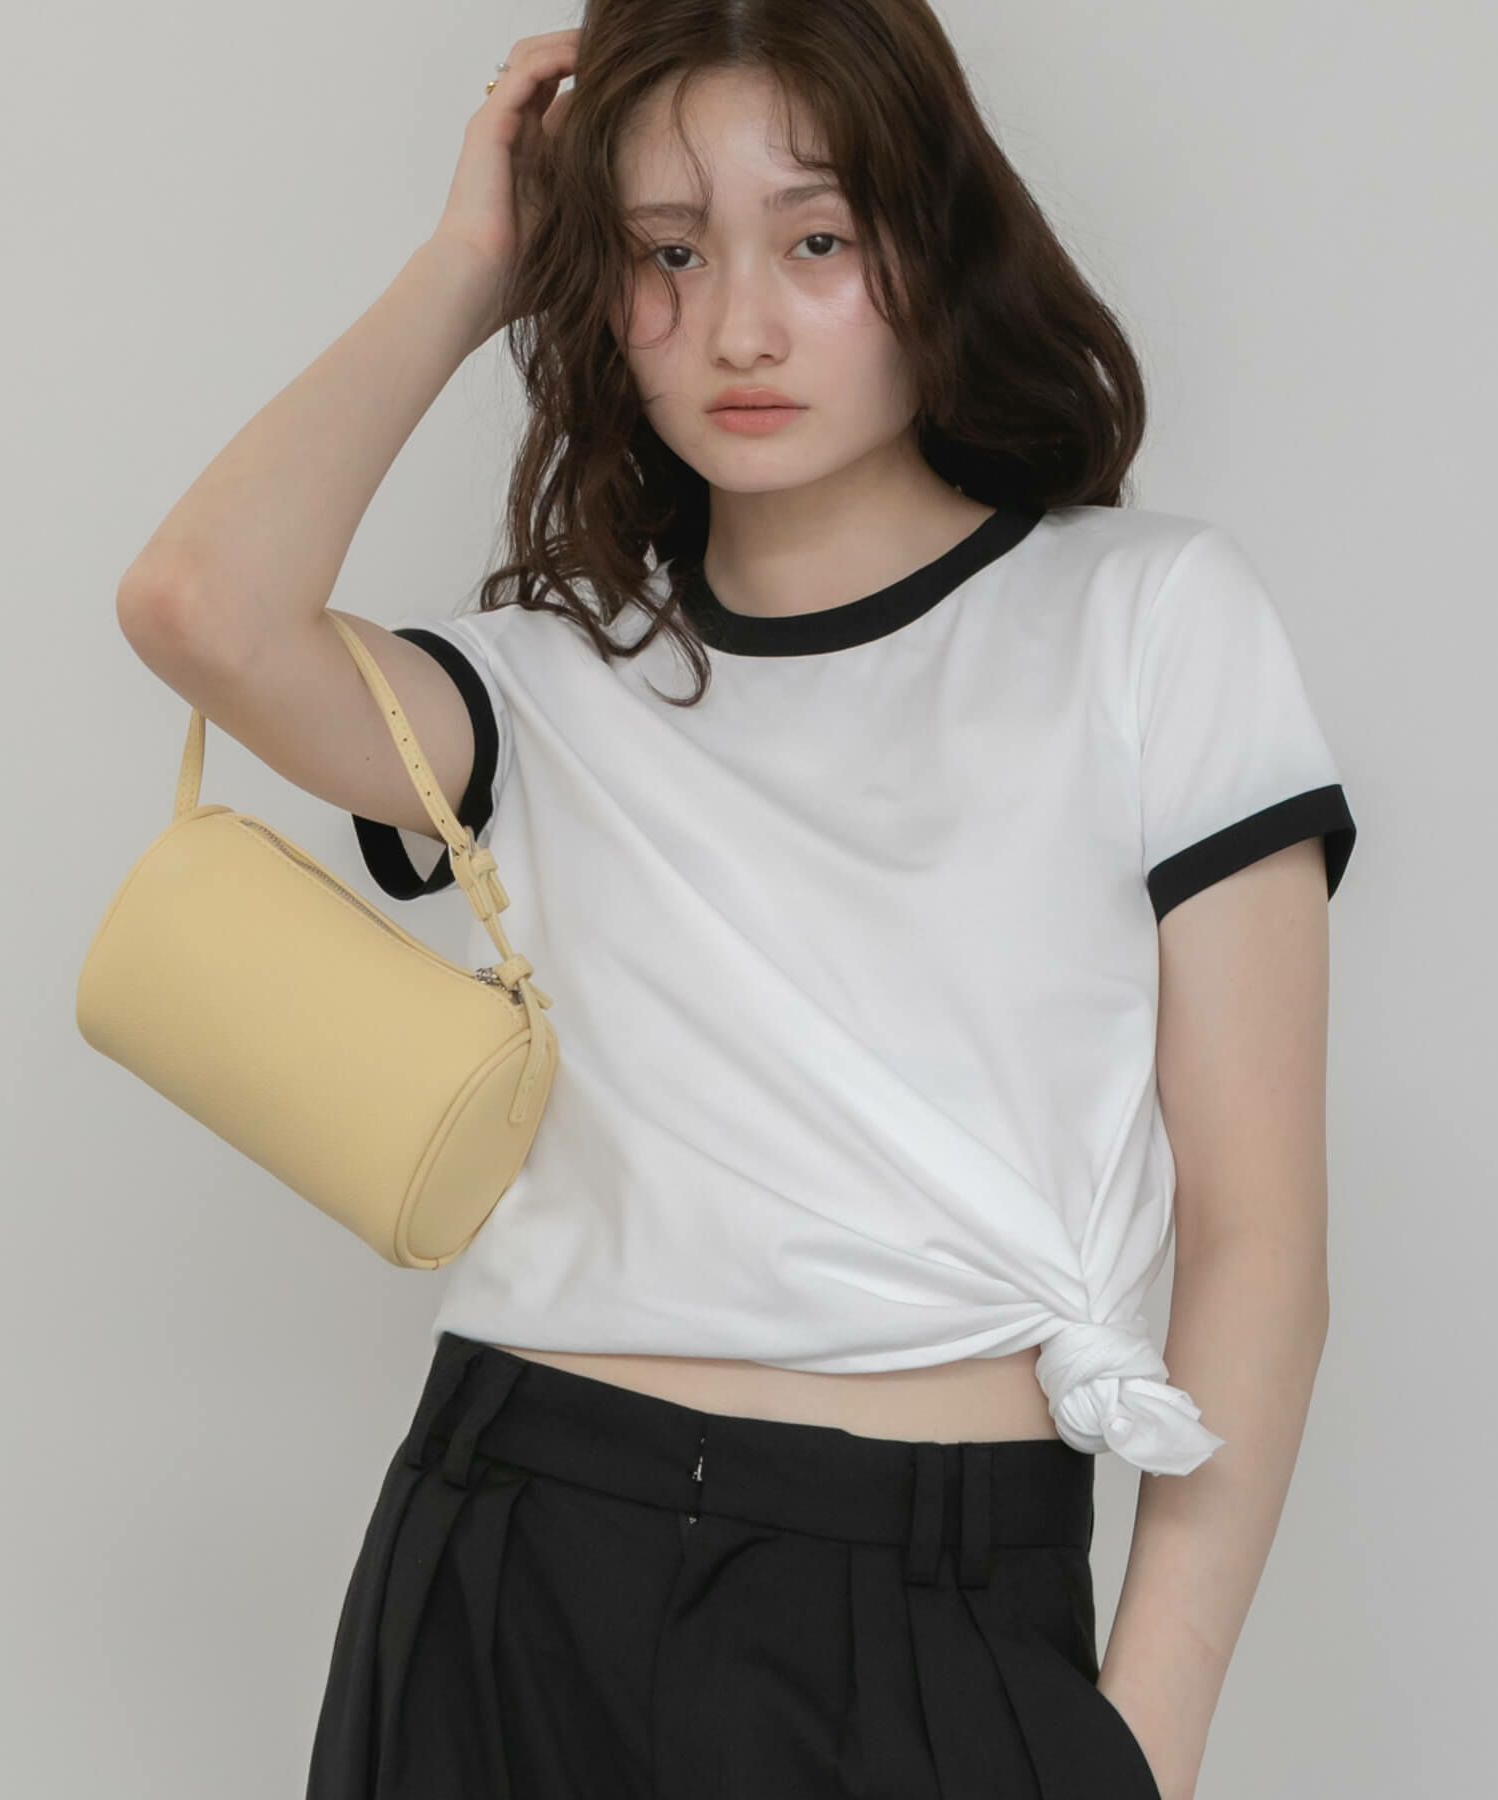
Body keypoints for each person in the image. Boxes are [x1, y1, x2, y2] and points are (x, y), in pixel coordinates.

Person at [115, 6, 1357, 1796]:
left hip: (929, 1591)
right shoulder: (546, 680)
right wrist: (474, 264)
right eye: (666, 255)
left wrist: (1139, 1745)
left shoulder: (1147, 618)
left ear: (936, 245)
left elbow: (1259, 1241)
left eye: (818, 240)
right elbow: (197, 611)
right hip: (511, 1557)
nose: (740, 328)